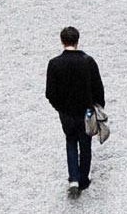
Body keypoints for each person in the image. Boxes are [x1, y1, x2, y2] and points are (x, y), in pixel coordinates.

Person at [45, 25, 106, 194]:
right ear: (77, 41)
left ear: (62, 41)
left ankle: (73, 179)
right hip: (86, 112)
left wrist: (60, 108)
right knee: (85, 145)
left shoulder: (54, 64)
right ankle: (83, 179)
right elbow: (98, 88)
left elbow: (50, 93)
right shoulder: (88, 61)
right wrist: (98, 108)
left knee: (70, 141)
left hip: (66, 113)